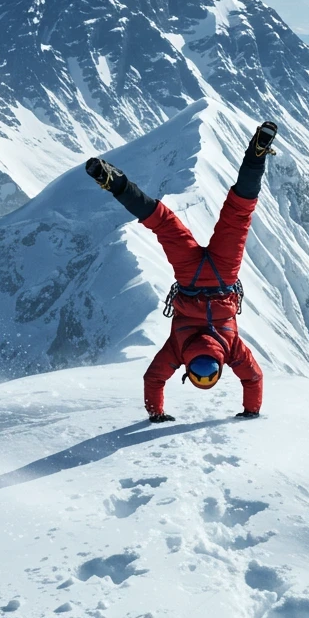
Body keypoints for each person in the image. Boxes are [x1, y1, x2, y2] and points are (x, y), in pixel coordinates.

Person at [85, 122, 277, 423]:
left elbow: (253, 378)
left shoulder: (230, 351)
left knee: (239, 214)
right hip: (189, 275)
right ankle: (115, 183)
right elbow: (154, 379)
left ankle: (257, 154)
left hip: (223, 275)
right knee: (161, 222)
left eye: (199, 376)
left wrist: (252, 410)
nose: (202, 375)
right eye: (205, 376)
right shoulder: (178, 351)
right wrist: (155, 413)